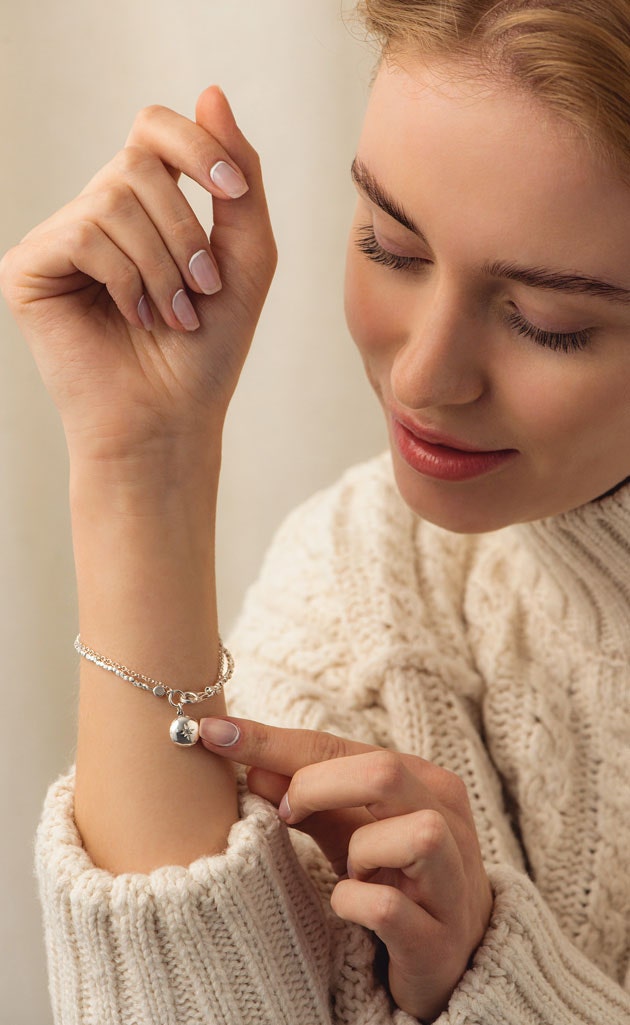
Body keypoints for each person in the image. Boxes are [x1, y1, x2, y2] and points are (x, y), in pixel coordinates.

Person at [2, 0, 630, 1021]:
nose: (425, 379)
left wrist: (509, 986)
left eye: (546, 322)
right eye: (390, 245)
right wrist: (141, 470)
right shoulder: (367, 590)